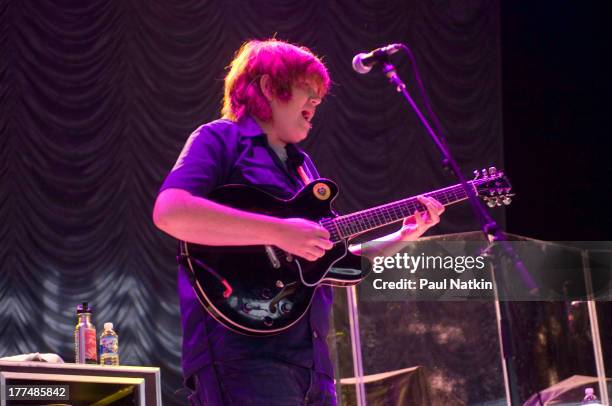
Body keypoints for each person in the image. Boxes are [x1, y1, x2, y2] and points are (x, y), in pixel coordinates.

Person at [153, 39, 444, 406]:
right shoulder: (220, 138)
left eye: (319, 95)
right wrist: (280, 231)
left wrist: (405, 234)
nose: (317, 102)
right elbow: (171, 212)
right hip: (244, 355)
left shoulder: (304, 169)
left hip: (313, 366)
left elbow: (329, 260)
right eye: (309, 90)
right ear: (268, 88)